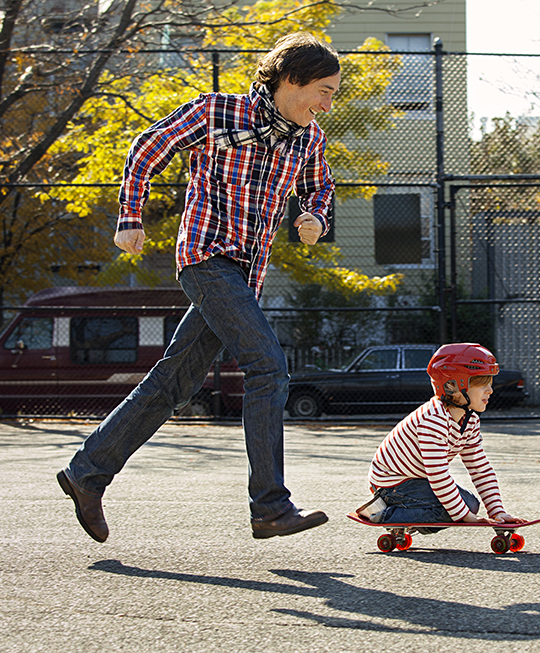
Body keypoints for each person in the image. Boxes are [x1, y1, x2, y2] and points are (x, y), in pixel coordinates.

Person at [56, 32, 340, 543]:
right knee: (268, 367)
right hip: (206, 258)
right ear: (291, 80)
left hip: (246, 274)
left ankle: (87, 473)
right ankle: (270, 506)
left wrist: (314, 214)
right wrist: (129, 216)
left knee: (174, 383)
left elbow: (320, 185)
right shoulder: (217, 112)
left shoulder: (308, 137)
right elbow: (148, 147)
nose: (327, 102)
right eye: (323, 89)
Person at [357, 343, 526, 530]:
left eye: (490, 383)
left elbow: (480, 468)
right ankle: (381, 513)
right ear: (452, 386)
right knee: (457, 511)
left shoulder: (469, 420)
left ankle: (412, 517)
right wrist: (465, 517)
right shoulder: (433, 419)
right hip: (391, 483)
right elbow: (438, 475)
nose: (490, 390)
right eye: (481, 383)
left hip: (417, 480)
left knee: (470, 505)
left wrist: (497, 511)